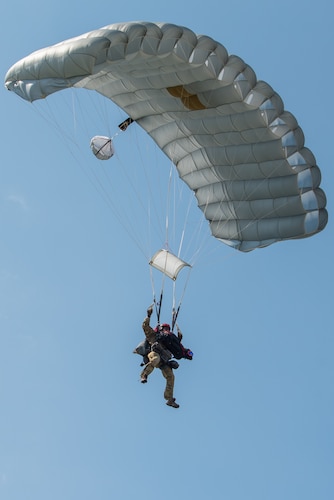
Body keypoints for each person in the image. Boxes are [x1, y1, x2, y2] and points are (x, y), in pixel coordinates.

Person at [133, 305, 193, 409]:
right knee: (155, 359)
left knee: (170, 376)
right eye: (164, 328)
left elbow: (183, 352)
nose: (167, 330)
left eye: (168, 329)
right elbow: (145, 326)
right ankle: (144, 375)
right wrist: (148, 316)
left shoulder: (171, 341)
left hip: (164, 361)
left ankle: (169, 399)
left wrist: (188, 353)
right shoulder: (154, 336)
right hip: (154, 354)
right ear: (160, 329)